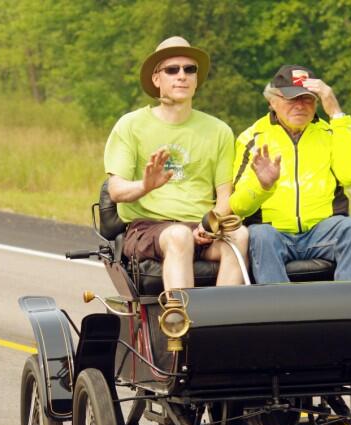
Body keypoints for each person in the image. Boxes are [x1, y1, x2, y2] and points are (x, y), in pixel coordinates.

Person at [104, 36, 248, 290]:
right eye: (172, 69)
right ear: (156, 79)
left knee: (240, 235)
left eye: (189, 69)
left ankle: (220, 323)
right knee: (179, 236)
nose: (182, 75)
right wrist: (145, 186)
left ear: (196, 79)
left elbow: (226, 198)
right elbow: (116, 191)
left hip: (202, 226)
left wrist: (209, 227)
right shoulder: (131, 125)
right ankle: (181, 325)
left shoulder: (219, 130)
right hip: (148, 227)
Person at [230, 65, 351, 284]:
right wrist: (263, 186)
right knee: (260, 235)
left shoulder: (330, 132)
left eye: (307, 99)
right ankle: (282, 313)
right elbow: (238, 206)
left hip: (322, 231)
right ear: (272, 101)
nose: (300, 106)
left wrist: (336, 112)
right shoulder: (252, 137)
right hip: (274, 233)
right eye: (291, 99)